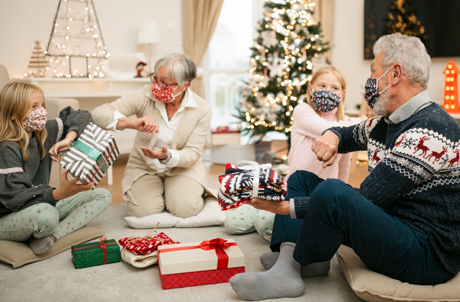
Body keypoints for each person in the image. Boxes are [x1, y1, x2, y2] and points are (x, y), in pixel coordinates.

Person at [229, 33, 460, 301]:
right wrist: (334, 136)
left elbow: (367, 198)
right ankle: (297, 263)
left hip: (425, 254)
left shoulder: (429, 129)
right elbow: (348, 132)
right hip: (394, 225)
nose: (369, 83)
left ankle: (289, 271)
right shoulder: (387, 122)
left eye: (374, 73)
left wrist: (283, 207)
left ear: (394, 75)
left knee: (333, 192)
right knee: (303, 179)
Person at [224, 65, 367, 243]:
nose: (327, 92)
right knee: (232, 224)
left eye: (334, 88)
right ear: (310, 88)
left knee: (264, 223)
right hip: (290, 188)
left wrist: (339, 199)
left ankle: (285, 226)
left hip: (316, 195)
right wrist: (359, 123)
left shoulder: (345, 125)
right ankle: (280, 220)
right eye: (322, 86)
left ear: (342, 94)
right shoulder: (303, 111)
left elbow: (344, 166)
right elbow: (328, 130)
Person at [91, 53, 212, 218]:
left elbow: (192, 153)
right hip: (144, 167)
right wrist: (131, 123)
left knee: (185, 209)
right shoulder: (144, 95)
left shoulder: (202, 108)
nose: (156, 86)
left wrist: (167, 156)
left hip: (182, 168)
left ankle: (178, 191)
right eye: (155, 79)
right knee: (143, 212)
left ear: (183, 86)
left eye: (164, 82)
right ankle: (163, 192)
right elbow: (99, 113)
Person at [0, 82, 111, 255]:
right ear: (13, 113)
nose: (41, 111)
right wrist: (59, 194)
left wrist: (69, 138)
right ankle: (38, 229)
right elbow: (15, 198)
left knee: (103, 195)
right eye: (34, 106)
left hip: (43, 204)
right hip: (10, 215)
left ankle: (51, 237)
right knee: (48, 216)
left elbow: (81, 115)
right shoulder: (7, 147)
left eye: (42, 105)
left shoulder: (44, 132)